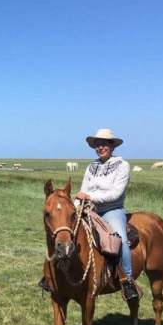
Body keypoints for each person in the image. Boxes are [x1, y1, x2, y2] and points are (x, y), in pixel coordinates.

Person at [38, 128, 139, 301]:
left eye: (104, 144)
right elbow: (83, 190)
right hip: (88, 208)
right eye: (97, 145)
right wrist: (74, 207)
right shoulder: (92, 167)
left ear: (112, 146)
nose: (101, 147)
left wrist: (90, 197)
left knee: (119, 237)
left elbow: (116, 193)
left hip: (111, 210)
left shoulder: (123, 165)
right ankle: (53, 276)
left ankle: (127, 280)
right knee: (65, 232)